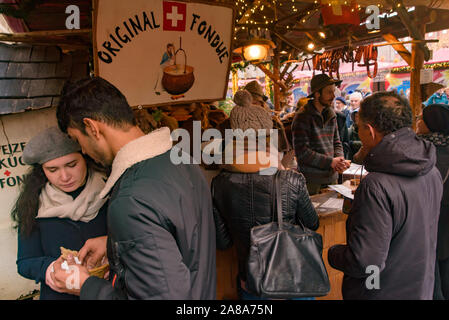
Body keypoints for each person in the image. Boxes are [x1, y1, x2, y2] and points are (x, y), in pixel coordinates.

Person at [51, 77, 216, 299]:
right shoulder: (182, 159)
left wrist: (85, 285)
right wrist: (116, 247)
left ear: (91, 127)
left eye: (77, 139)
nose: (82, 150)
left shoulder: (130, 199)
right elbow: (180, 241)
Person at [328, 91, 443, 300]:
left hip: (380, 291)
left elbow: (366, 262)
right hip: (420, 288)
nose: (359, 135)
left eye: (360, 127)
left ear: (370, 131)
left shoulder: (376, 186)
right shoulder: (431, 170)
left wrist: (332, 252)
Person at [212, 90, 319, 300]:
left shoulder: (219, 184)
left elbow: (223, 243)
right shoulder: (291, 179)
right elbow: (312, 223)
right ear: (268, 136)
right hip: (293, 278)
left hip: (252, 281)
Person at [12, 127, 108, 300]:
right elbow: (25, 262)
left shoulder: (110, 192)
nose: (64, 177)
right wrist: (52, 268)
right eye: (53, 170)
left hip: (110, 292)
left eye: (72, 165)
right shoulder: (33, 204)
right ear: (42, 171)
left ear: (86, 158)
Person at [291, 74, 349, 195]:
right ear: (317, 94)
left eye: (333, 92)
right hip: (311, 181)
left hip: (332, 177)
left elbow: (337, 142)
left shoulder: (331, 114)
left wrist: (340, 160)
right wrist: (331, 162)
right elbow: (302, 152)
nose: (333, 96)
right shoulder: (303, 116)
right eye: (329, 92)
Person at [416, 104, 449, 300]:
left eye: (422, 118)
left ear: (431, 124)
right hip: (442, 219)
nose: (418, 121)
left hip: (433, 220)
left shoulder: (425, 153)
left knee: (436, 270)